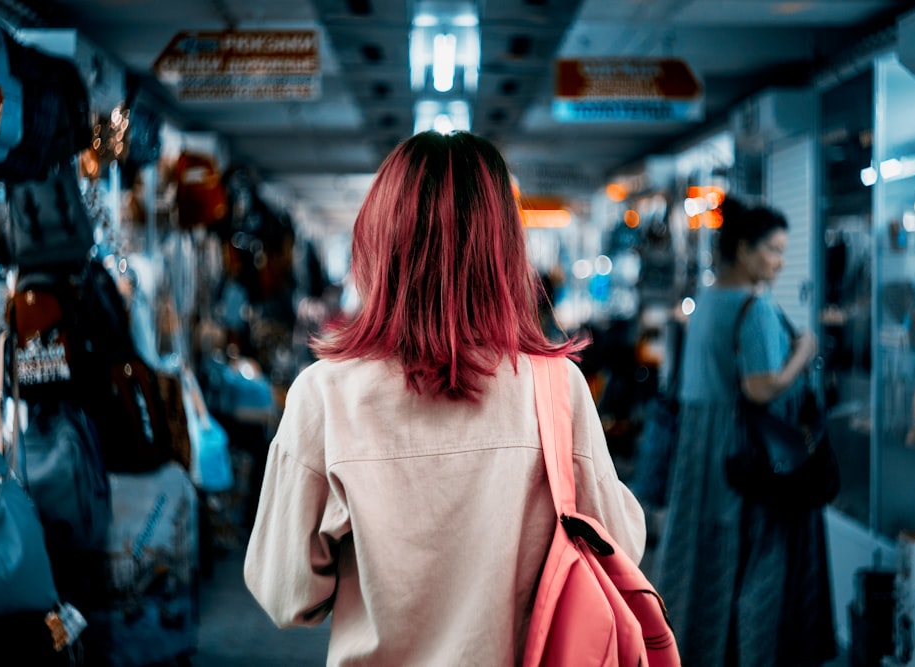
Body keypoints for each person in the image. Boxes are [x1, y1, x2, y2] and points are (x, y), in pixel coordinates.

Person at [243, 130, 646, 665]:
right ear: (505, 248)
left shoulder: (324, 396)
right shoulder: (556, 387)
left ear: (378, 241)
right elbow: (619, 546)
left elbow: (286, 594)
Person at [651, 196, 837, 666]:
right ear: (743, 249)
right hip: (752, 457)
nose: (777, 263)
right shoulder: (752, 307)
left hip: (706, 453)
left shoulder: (707, 302)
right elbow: (760, 388)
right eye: (772, 251)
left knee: (710, 560)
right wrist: (805, 351)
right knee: (760, 566)